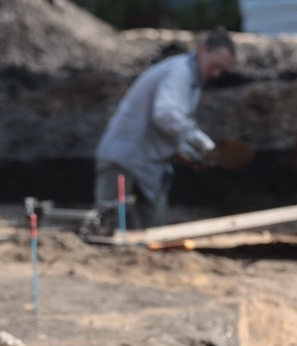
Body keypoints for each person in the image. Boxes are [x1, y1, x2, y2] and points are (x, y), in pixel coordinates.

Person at [94, 29, 236, 231]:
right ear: (203, 50)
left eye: (222, 70)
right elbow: (164, 115)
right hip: (123, 158)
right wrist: (204, 143)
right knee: (107, 228)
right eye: (216, 66)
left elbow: (172, 125)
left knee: (154, 231)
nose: (216, 74)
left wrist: (186, 152)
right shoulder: (179, 72)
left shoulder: (193, 81)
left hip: (150, 164)